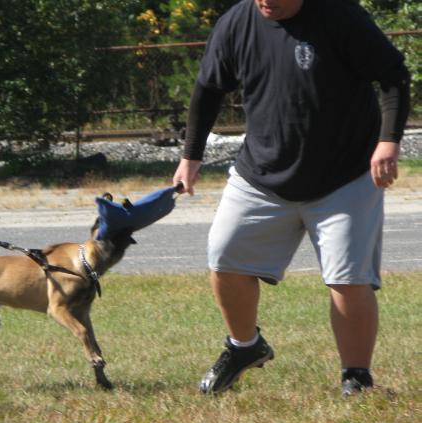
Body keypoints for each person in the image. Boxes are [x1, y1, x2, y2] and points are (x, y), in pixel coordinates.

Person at [173, 0, 410, 396]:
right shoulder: (237, 22)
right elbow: (208, 89)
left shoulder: (340, 15)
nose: (266, 2)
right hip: (261, 174)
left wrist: (388, 142)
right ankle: (244, 347)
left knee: (349, 278)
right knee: (225, 256)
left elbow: (394, 77)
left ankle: (357, 378)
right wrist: (190, 156)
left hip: (345, 175)